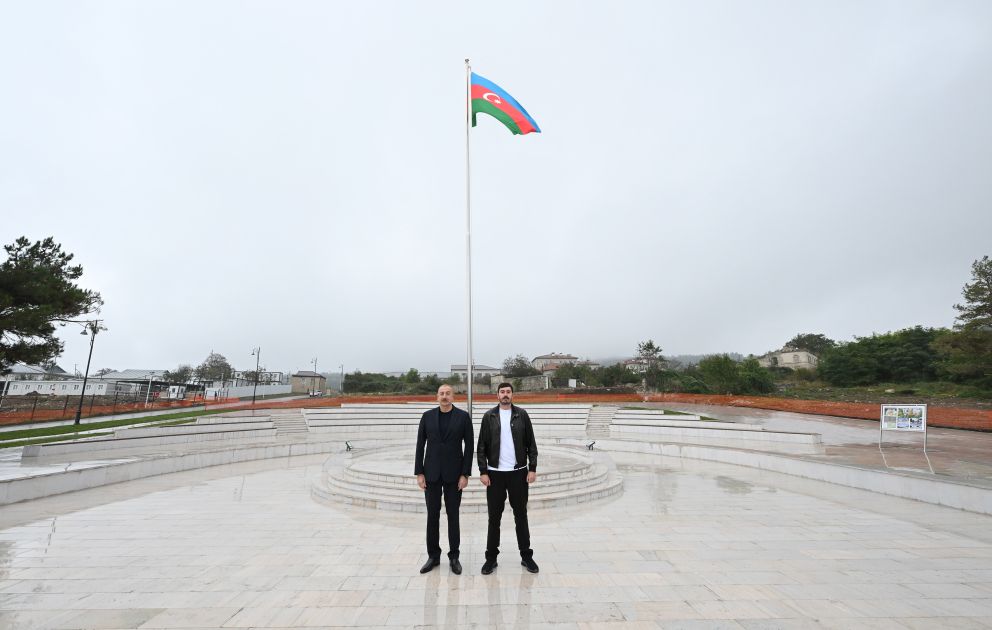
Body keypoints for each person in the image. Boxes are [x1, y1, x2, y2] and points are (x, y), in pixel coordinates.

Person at [477, 382, 539, 575]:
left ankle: (526, 556)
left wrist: (532, 468)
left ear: (513, 395)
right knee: (493, 518)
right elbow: (481, 447)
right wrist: (483, 471)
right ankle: (491, 558)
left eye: (508, 392)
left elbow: (531, 444)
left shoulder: (522, 415)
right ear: (497, 395)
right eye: (502, 392)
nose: (505, 395)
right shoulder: (489, 416)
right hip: (495, 474)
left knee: (521, 515)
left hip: (518, 473)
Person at [414, 384, 473, 575]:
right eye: (441, 393)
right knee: (432, 515)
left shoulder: (463, 417)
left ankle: (454, 556)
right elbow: (420, 445)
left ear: (453, 397)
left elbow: (469, 447)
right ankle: (433, 556)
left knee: (453, 516)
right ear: (436, 397)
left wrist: (465, 474)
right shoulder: (427, 416)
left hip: (454, 475)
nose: (445, 396)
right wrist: (419, 473)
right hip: (431, 474)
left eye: (448, 393)